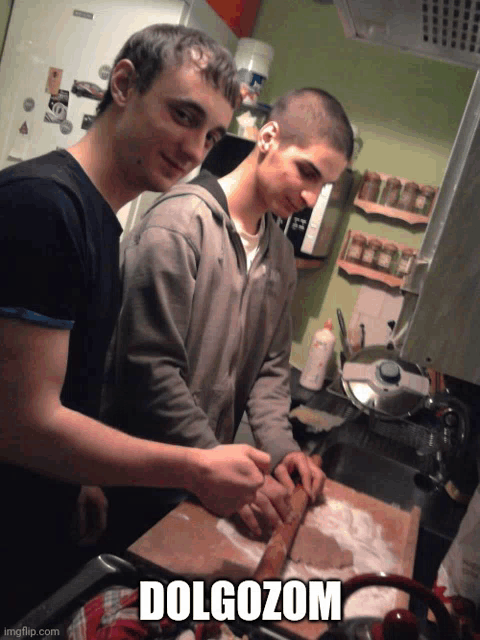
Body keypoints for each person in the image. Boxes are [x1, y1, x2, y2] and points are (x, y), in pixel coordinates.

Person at [0, 24, 271, 627]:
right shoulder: (44, 208)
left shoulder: (101, 219)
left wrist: (85, 479)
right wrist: (196, 467)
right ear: (124, 85)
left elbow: (66, 392)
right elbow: (22, 423)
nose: (195, 149)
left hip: (38, 514)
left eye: (212, 135)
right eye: (183, 115)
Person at [102, 87, 353, 541]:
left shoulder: (279, 255)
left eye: (324, 185)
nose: (313, 197)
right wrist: (215, 463)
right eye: (307, 172)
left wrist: (281, 450)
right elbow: (150, 371)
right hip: (134, 478)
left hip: (197, 484)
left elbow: (270, 371)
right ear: (269, 138)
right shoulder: (179, 226)